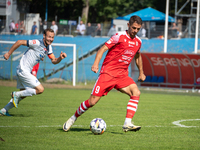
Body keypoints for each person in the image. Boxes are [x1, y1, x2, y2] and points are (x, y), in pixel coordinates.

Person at [63, 15, 146, 133]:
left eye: (138, 29)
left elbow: (138, 56)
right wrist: (96, 64)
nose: (135, 31)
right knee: (92, 102)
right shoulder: (119, 36)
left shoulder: (138, 41)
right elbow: (102, 49)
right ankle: (73, 118)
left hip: (122, 75)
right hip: (108, 73)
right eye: (133, 28)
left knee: (136, 92)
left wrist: (141, 73)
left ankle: (127, 123)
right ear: (128, 25)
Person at [0, 29, 67, 116]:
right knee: (40, 89)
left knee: (23, 94)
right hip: (23, 70)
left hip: (23, 70)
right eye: (49, 36)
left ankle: (4, 110)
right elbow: (19, 42)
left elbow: (54, 60)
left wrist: (60, 58)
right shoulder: (37, 43)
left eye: (52, 37)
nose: (51, 39)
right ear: (44, 36)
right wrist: (9, 53)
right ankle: (15, 94)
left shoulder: (48, 47)